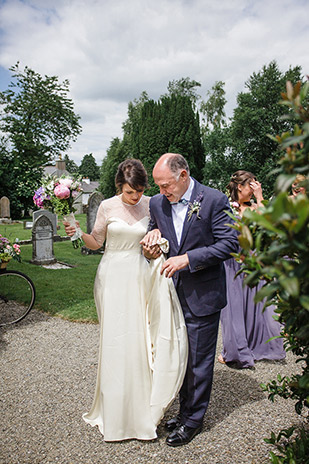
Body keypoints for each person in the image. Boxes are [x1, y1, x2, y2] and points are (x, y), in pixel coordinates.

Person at [64, 158, 188, 442]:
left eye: (140, 191)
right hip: (112, 276)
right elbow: (96, 242)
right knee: (115, 340)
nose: (136, 197)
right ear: (120, 186)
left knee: (140, 339)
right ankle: (115, 412)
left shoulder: (152, 205)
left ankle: (142, 411)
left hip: (141, 276)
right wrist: (77, 234)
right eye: (131, 191)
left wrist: (156, 242)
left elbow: (161, 236)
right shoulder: (107, 206)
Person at [141, 153, 238, 447]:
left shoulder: (214, 200)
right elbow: (151, 241)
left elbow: (229, 244)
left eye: (166, 185)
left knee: (197, 360)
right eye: (158, 186)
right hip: (169, 295)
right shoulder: (157, 204)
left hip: (203, 295)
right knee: (176, 355)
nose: (161, 192)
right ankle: (182, 412)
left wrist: (188, 259)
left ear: (183, 175)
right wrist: (151, 243)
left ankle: (193, 420)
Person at [218, 170, 286, 368]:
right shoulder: (226, 207)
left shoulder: (255, 208)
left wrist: (260, 197)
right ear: (240, 187)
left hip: (254, 262)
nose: (254, 188)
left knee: (256, 306)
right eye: (251, 185)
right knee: (233, 308)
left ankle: (257, 346)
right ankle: (234, 350)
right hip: (232, 262)